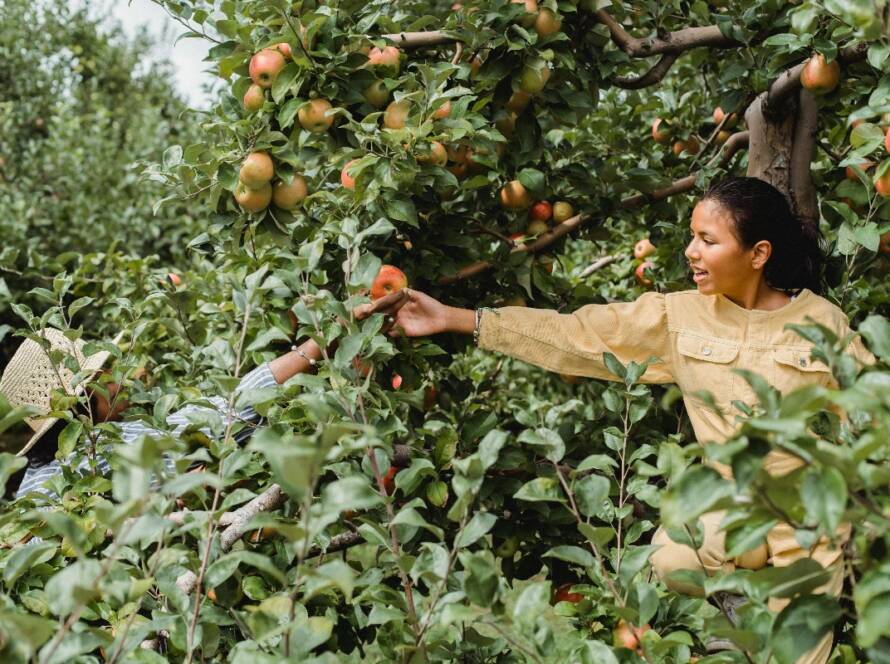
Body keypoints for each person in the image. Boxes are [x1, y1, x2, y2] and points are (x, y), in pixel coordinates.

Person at [377, 177, 874, 664]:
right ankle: (740, 608)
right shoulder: (679, 316)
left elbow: (872, 418)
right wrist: (460, 319)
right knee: (672, 554)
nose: (690, 252)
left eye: (707, 240)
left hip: (808, 524)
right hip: (730, 508)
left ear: (757, 254)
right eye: (691, 237)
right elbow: (579, 335)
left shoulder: (821, 323)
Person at [1, 294, 403, 504]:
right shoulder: (102, 455)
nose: (120, 378)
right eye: (106, 374)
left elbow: (209, 413)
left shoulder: (37, 486)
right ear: (84, 399)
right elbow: (225, 415)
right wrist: (317, 345)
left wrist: (315, 347)